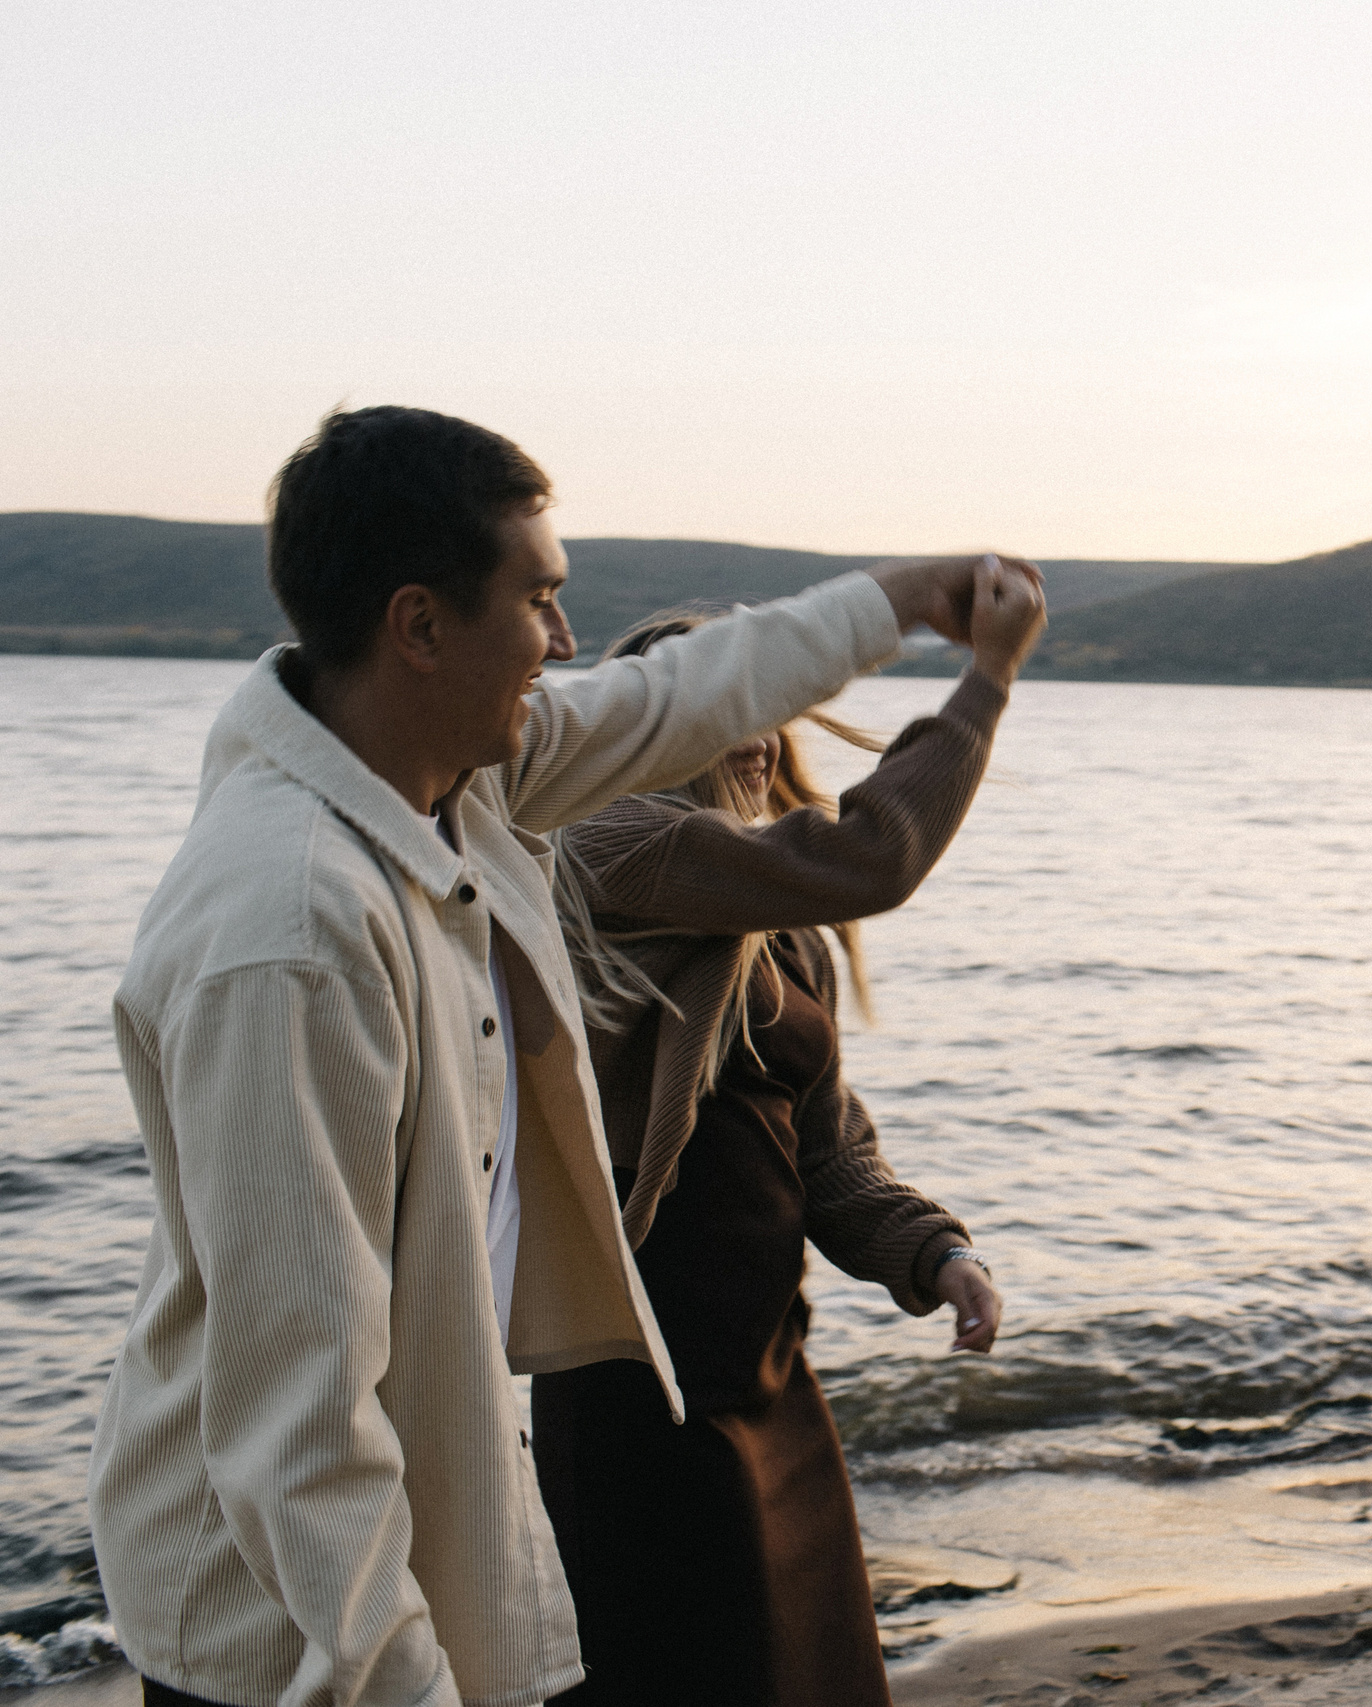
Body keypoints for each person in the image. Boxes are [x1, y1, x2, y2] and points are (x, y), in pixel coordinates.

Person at [89, 404, 1026, 1707]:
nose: (570, 642)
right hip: (290, 1646)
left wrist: (905, 600)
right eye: (539, 600)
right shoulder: (291, 931)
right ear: (420, 626)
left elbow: (678, 692)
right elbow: (295, 1427)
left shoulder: (454, 783)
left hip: (428, 1554)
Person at [530, 580, 1040, 1707]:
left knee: (804, 1674)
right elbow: (871, 854)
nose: (762, 736)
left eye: (769, 710)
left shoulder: (780, 933)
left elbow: (826, 1153)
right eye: (731, 708)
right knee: (663, 1674)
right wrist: (986, 676)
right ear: (645, 733)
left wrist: (933, 1253)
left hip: (766, 1366)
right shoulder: (605, 848)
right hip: (634, 1371)